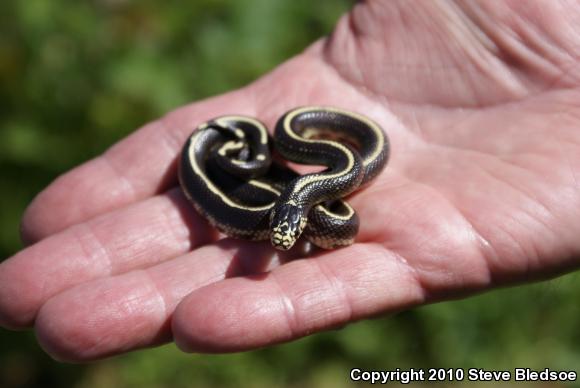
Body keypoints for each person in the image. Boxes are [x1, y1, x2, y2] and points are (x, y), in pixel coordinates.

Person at [1, 0, 579, 362]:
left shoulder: (325, 195)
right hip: (264, 155)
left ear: (295, 213)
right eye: (282, 229)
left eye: (286, 228)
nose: (279, 241)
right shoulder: (308, 199)